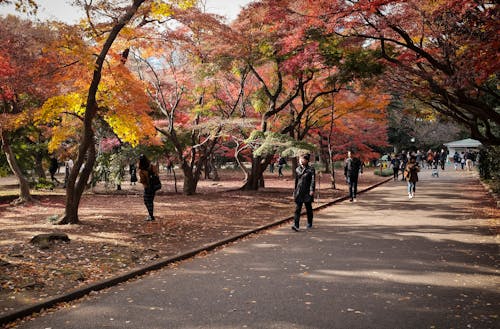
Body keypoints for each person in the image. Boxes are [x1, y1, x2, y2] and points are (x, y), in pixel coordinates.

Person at [292, 153, 316, 231]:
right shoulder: (297, 169)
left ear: (307, 160)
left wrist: (312, 190)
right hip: (299, 191)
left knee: (308, 208)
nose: (301, 160)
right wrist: (294, 191)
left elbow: (313, 180)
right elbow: (296, 181)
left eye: (303, 159)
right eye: (300, 159)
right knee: (297, 209)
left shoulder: (311, 169)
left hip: (307, 192)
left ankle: (309, 222)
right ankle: (296, 225)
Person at [138, 154, 159, 221]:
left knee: (147, 201)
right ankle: (151, 215)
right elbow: (156, 174)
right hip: (154, 186)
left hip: (147, 187)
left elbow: (143, 181)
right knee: (150, 201)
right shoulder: (152, 166)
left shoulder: (142, 171)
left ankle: (151, 216)